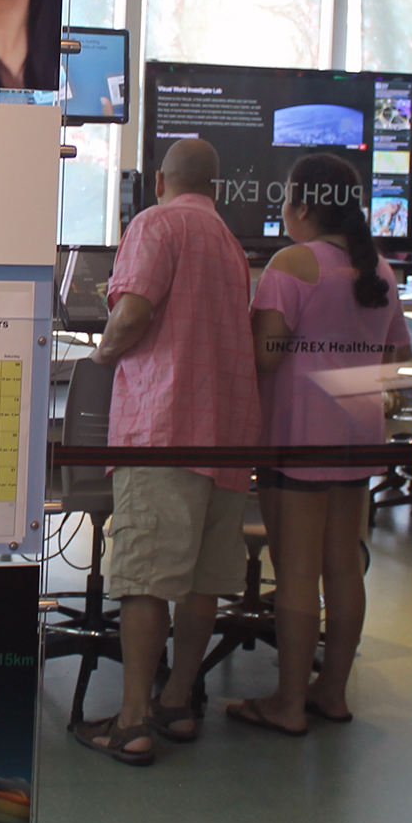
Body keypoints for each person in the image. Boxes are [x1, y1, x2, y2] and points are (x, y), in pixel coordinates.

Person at [75, 137, 260, 765]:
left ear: (160, 182)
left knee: (146, 578)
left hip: (166, 428)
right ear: (216, 187)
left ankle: (131, 722)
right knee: (202, 580)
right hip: (227, 435)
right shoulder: (230, 244)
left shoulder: (155, 224)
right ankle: (178, 702)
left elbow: (132, 314)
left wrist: (102, 355)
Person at [228, 153, 411, 738]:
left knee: (297, 571)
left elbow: (265, 355)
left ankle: (287, 702)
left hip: (299, 435)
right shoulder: (379, 270)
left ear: (304, 207)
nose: (282, 208)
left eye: (285, 197)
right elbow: (397, 353)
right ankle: (330, 692)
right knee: (344, 567)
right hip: (359, 434)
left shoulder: (292, 264)